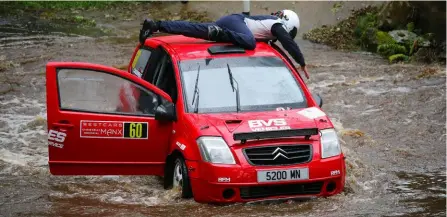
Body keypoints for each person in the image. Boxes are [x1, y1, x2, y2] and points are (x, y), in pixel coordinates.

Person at [139, 9, 308, 76]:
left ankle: (155, 25)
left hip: (233, 24)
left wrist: (293, 70)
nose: (288, 35)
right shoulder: (276, 24)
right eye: (290, 32)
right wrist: (301, 62)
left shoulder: (270, 31)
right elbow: (288, 44)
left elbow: (281, 51)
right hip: (236, 23)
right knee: (250, 43)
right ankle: (220, 33)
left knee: (193, 29)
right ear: (288, 24)